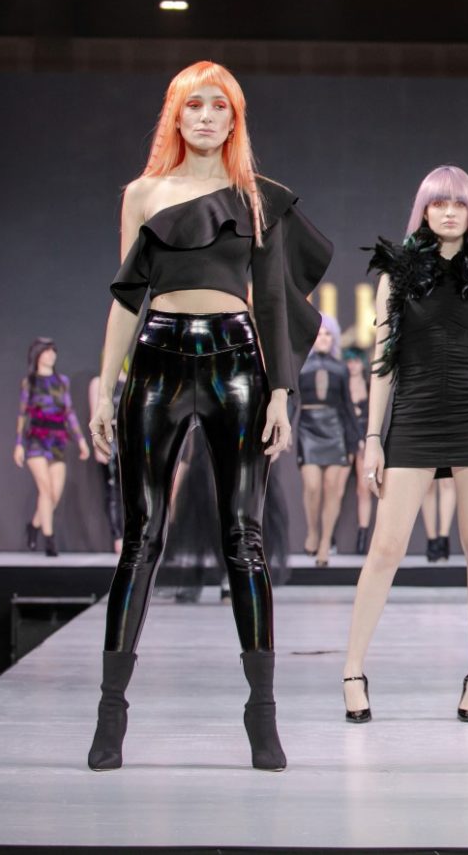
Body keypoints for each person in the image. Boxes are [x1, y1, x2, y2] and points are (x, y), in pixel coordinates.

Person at [85, 60, 333, 772]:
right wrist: (104, 388)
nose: (204, 117)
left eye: (218, 106)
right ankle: (110, 714)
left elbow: (274, 301)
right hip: (157, 357)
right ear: (175, 113)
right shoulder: (142, 194)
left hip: (236, 362)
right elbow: (126, 296)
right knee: (141, 537)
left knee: (243, 537)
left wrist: (282, 392)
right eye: (193, 105)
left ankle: (263, 716)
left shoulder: (255, 196)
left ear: (234, 118)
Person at [341, 165, 468, 724]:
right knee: (386, 547)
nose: (449, 212)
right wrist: (373, 438)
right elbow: (382, 363)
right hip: (415, 414)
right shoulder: (396, 275)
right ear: (422, 211)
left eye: (459, 203)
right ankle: (352, 670)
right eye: (438, 203)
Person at [14, 338, 91, 556]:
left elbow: (69, 412)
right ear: (38, 355)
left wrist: (81, 440)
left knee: (55, 494)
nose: (51, 355)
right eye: (47, 351)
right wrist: (19, 444)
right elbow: (23, 414)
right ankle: (49, 540)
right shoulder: (30, 382)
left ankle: (34, 526)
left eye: (53, 351)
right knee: (45, 490)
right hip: (36, 439)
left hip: (57, 439)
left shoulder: (61, 381)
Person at [297, 314, 359, 567]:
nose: (323, 338)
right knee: (312, 486)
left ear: (334, 338)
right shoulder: (300, 365)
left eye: (327, 334)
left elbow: (347, 405)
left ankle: (325, 542)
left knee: (332, 488)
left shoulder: (340, 368)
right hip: (308, 428)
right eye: (319, 334)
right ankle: (312, 531)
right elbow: (291, 400)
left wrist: (355, 439)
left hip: (336, 429)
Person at [88, 371, 126, 554]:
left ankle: (137, 538)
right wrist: (97, 443)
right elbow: (94, 415)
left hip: (131, 438)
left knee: (134, 490)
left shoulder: (134, 380)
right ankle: (118, 538)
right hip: (111, 439)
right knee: (112, 488)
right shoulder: (99, 382)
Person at [343, 346, 374, 554]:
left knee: (364, 489)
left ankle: (362, 537)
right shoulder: (340, 383)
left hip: (364, 439)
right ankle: (327, 538)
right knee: (334, 489)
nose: (352, 365)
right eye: (349, 361)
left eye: (355, 361)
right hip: (345, 439)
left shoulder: (370, 386)